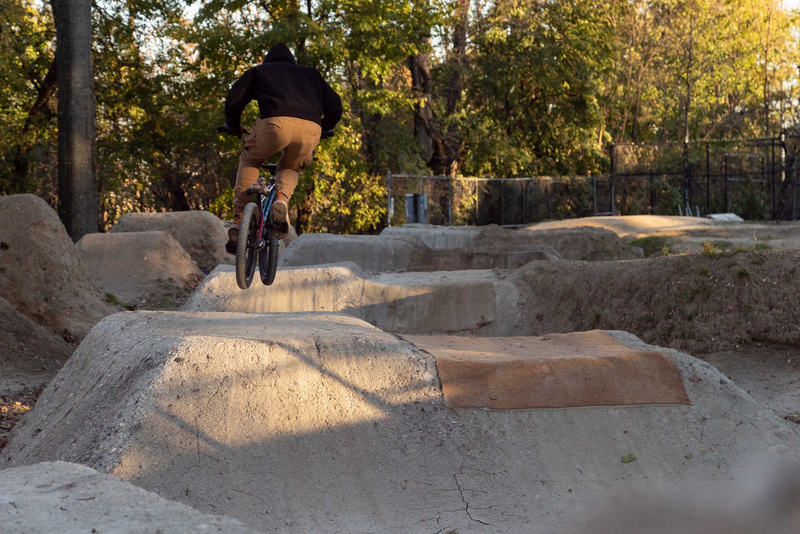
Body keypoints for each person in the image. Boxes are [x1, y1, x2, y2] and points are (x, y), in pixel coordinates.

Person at [221, 43, 342, 253]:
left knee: (250, 159)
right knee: (291, 167)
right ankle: (282, 200)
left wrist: (233, 125)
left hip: (273, 125)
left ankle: (239, 220)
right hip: (310, 129)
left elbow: (234, 100)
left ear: (269, 60)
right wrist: (325, 128)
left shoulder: (260, 71)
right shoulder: (311, 74)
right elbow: (335, 106)